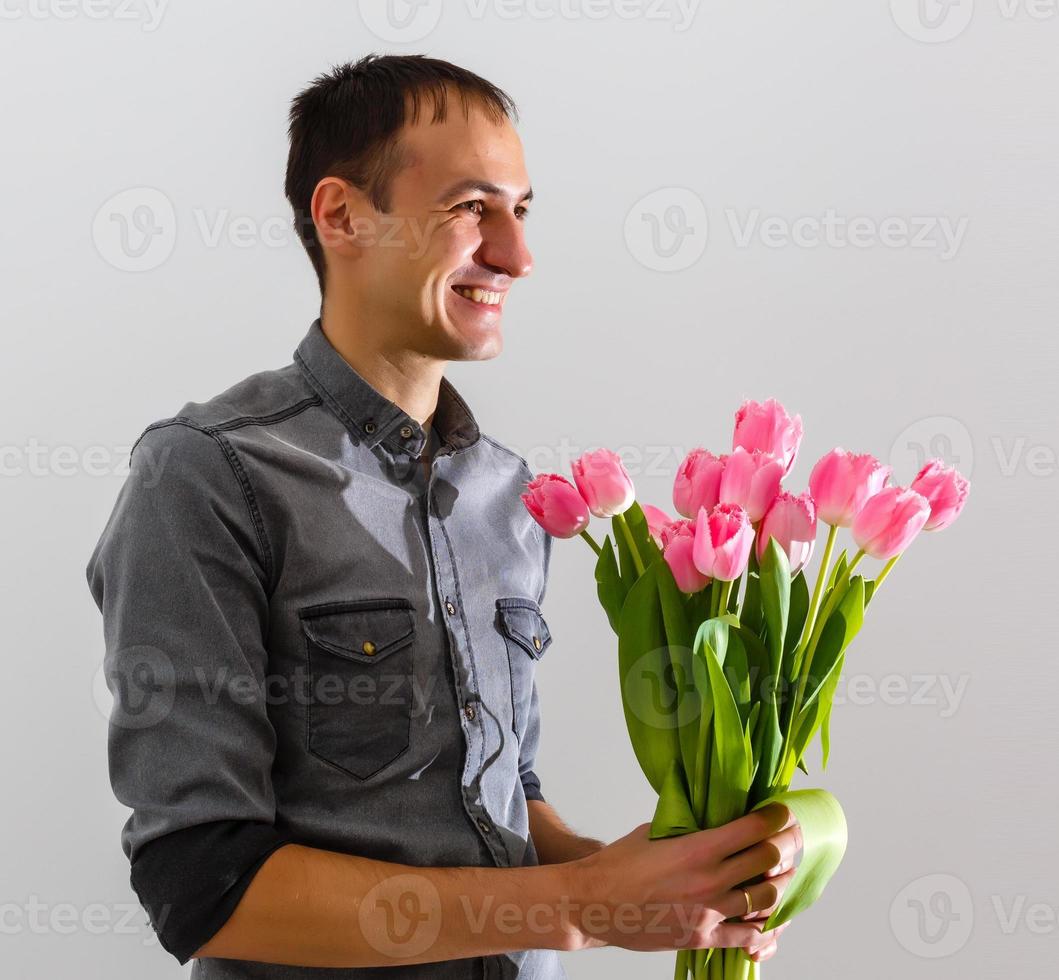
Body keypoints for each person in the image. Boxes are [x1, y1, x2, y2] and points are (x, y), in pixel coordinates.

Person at [84, 53, 800, 979]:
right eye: (472, 209)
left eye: (522, 211)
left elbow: (494, 805)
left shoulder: (513, 496)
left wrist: (664, 885)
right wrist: (583, 904)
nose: (517, 255)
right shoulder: (205, 474)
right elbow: (203, 884)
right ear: (341, 215)